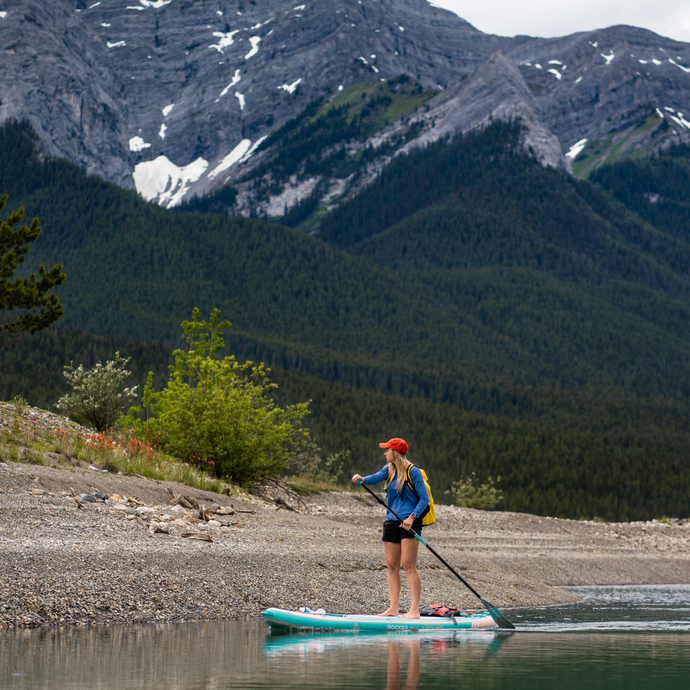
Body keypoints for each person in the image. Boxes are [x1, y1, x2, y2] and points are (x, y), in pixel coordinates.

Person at [352, 438, 429, 618]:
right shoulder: (390, 469)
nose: (384, 452)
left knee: (408, 565)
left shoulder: (413, 472)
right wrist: (361, 479)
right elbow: (373, 478)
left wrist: (412, 517)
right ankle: (393, 608)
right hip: (392, 521)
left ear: (395, 452)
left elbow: (424, 499)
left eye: (387, 450)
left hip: (410, 522)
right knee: (392, 566)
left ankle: (414, 611)